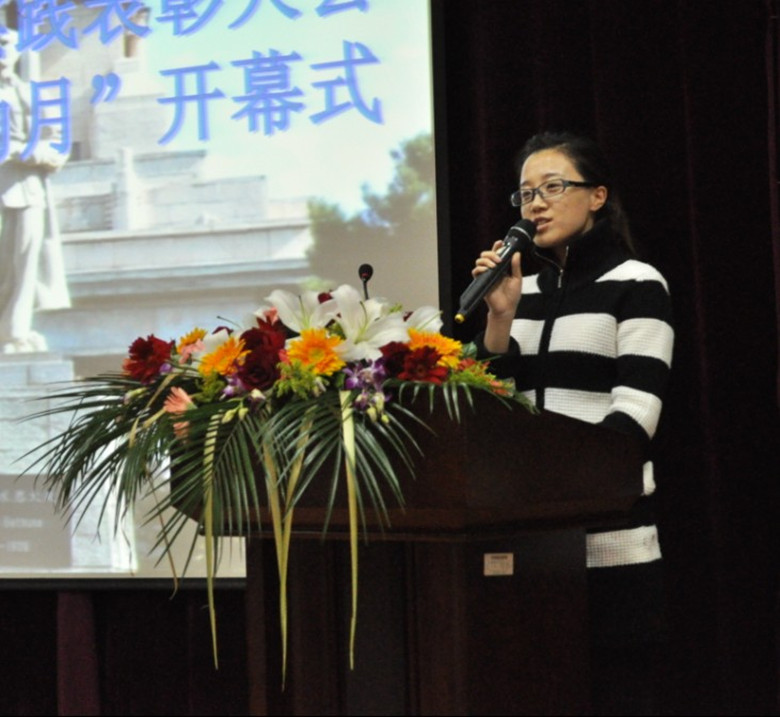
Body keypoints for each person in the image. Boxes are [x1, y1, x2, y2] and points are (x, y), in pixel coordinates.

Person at [471, 130, 674, 715]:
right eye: (526, 193)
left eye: (553, 188)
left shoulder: (638, 283)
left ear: (597, 197)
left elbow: (636, 415)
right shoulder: (520, 291)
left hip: (610, 547)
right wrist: (499, 320)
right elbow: (495, 411)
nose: (535, 205)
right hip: (533, 550)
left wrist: (561, 488)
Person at [0, 28, 69, 354]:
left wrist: (31, 153)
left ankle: (16, 331)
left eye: (5, 45)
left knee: (25, 263)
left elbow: (56, 142)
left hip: (27, 190)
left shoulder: (31, 94)